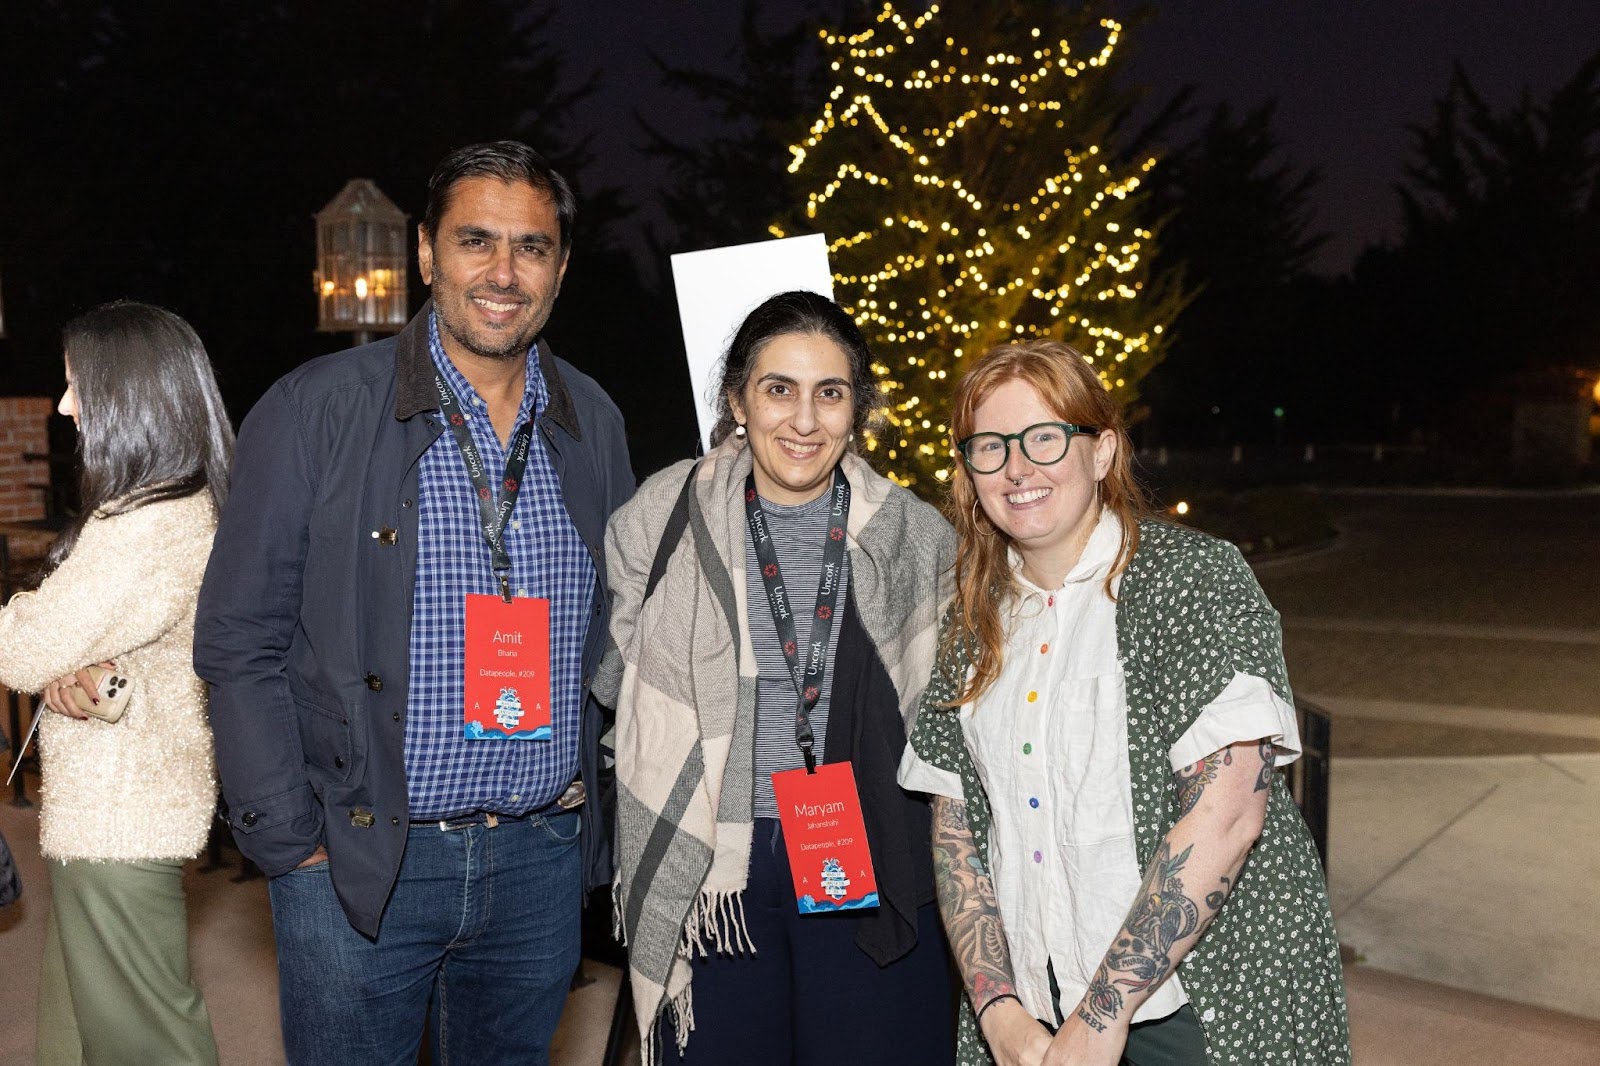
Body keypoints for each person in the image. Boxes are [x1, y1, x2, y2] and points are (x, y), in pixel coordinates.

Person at [194, 141, 634, 1065]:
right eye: (476, 241)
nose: (504, 273)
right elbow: (238, 639)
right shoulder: (315, 409)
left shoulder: (592, 418)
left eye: (533, 247)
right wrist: (290, 848)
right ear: (426, 254)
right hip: (362, 862)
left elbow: (620, 631)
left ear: (560, 267)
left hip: (540, 857)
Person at [899, 340, 1350, 1065]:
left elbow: (1229, 813)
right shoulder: (974, 618)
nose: (1017, 468)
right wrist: (997, 1007)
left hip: (1204, 1004)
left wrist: (1103, 1013)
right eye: (990, 446)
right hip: (1035, 1005)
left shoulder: (1188, 582)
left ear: (1102, 451)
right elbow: (956, 833)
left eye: (1045, 438)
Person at [596, 290, 957, 1065]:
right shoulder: (659, 517)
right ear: (736, 399)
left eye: (830, 393)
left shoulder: (917, 537)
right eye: (778, 389)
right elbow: (621, 679)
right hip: (714, 866)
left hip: (869, 849)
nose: (803, 419)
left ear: (857, 410)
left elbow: (949, 714)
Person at [0, 301, 231, 1065]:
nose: (65, 405)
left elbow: (24, 645)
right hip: (111, 812)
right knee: (76, 1041)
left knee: (150, 1045)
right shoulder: (160, 509)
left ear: (131, 396)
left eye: (75, 384)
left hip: (122, 818)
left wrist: (53, 653)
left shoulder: (147, 522)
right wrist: (76, 663)